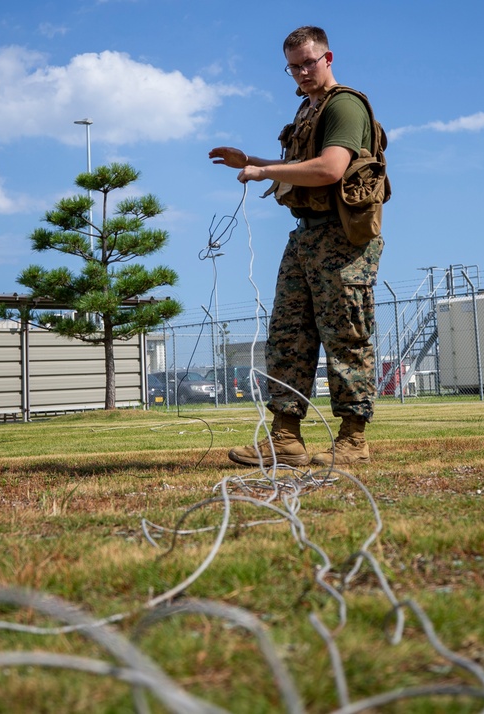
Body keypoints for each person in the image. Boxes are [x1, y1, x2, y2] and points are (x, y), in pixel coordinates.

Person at [209, 25, 386, 467]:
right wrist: (251, 161)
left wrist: (264, 173)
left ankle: (352, 440)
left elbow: (329, 169)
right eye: (294, 66)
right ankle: (286, 439)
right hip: (306, 235)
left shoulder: (344, 105)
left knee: (346, 336)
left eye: (309, 62)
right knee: (289, 335)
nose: (303, 72)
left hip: (342, 237)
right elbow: (296, 165)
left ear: (328, 58)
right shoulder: (309, 109)